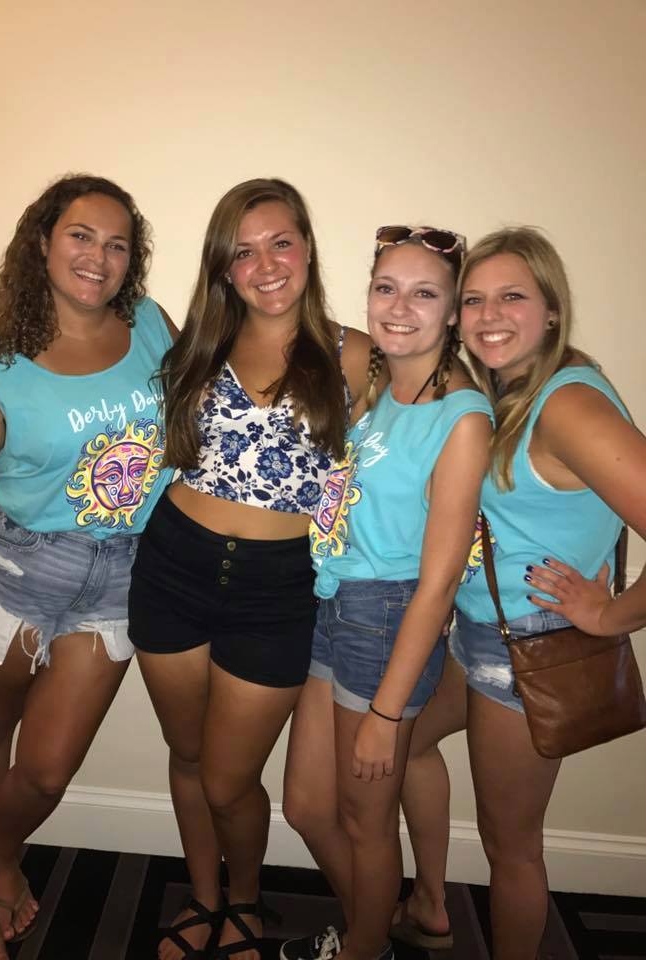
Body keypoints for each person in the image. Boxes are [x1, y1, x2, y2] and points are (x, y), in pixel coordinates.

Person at [0, 174, 177, 960]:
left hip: (123, 572)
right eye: (80, 235)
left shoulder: (149, 326)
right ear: (42, 242)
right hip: (16, 570)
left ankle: (0, 856)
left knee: (46, 770)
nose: (98, 257)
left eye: (117, 244)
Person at [128, 178, 376, 960]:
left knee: (230, 779)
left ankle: (244, 901)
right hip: (172, 567)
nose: (265, 265)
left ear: (308, 247)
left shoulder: (356, 355)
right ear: (223, 268)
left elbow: (436, 428)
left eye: (280, 243)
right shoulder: (196, 344)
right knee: (188, 756)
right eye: (243, 252)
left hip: (277, 589)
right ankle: (203, 898)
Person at [394, 227, 646, 960]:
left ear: (551, 309)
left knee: (511, 846)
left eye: (512, 297)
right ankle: (432, 905)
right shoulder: (511, 390)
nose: (489, 316)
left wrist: (609, 613)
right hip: (479, 635)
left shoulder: (566, 405)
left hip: (530, 652)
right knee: (406, 740)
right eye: (473, 300)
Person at [280, 226, 493, 960]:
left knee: (365, 820)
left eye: (424, 293)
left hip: (388, 618)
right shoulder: (378, 383)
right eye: (385, 288)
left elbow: (438, 582)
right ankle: (377, 921)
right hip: (335, 601)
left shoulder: (460, 418)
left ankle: (365, 946)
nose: (399, 307)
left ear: (454, 313)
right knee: (306, 805)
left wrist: (384, 712)